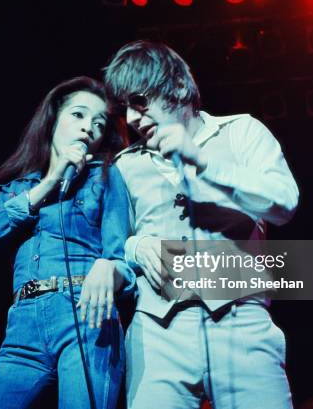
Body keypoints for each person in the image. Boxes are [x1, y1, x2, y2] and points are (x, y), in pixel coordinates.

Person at [103, 41, 299, 409]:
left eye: (139, 101)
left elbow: (283, 202)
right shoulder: (126, 165)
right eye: (125, 107)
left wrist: (203, 160)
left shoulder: (241, 132)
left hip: (241, 321)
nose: (131, 118)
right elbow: (114, 244)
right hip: (158, 332)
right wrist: (136, 247)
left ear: (176, 87)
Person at [0, 76, 135, 409]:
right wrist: (51, 181)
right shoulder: (19, 188)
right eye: (78, 115)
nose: (88, 127)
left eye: (99, 123)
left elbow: (121, 256)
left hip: (86, 314)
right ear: (53, 121)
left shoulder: (105, 176)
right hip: (23, 324)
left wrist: (112, 268)